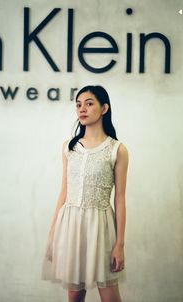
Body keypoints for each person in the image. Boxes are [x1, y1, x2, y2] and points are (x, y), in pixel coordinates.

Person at [41, 85, 129, 302]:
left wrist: (119, 244)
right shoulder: (69, 147)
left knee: (110, 297)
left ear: (104, 108)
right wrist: (53, 235)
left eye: (89, 103)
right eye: (79, 104)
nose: (82, 109)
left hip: (101, 228)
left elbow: (120, 199)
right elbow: (64, 193)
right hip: (70, 227)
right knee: (75, 296)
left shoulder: (117, 149)